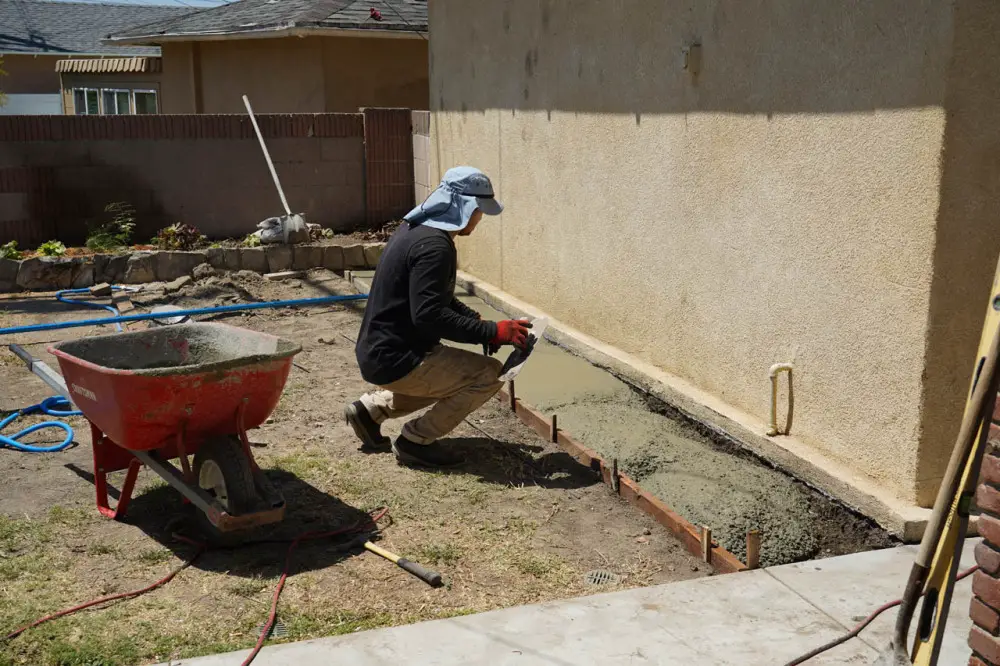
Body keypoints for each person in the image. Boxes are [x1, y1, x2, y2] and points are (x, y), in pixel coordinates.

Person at [344, 166, 532, 467]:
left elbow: (432, 298)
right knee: (488, 374)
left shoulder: (414, 231)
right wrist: (492, 332)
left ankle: (371, 410)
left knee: (451, 373)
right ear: (463, 207)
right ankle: (415, 442)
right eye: (479, 211)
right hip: (399, 359)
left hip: (380, 352)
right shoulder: (435, 248)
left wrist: (483, 326)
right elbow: (429, 316)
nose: (480, 219)